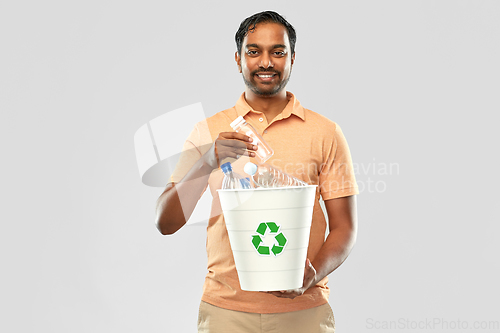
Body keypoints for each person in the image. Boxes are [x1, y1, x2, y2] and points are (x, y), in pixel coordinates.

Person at [155, 11, 358, 333]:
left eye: (278, 52)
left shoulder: (325, 132)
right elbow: (165, 222)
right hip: (225, 311)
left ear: (292, 59)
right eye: (254, 51)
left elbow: (344, 228)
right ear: (238, 59)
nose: (266, 62)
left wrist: (311, 275)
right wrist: (207, 160)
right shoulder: (208, 131)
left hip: (304, 311)